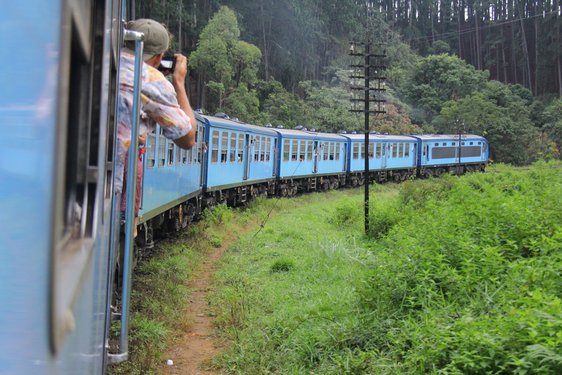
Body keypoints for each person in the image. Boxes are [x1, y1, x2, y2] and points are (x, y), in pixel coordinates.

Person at [117, 18, 196, 234]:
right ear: (160, 57)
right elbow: (188, 139)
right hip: (111, 193)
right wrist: (178, 83)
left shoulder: (94, 61)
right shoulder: (150, 79)